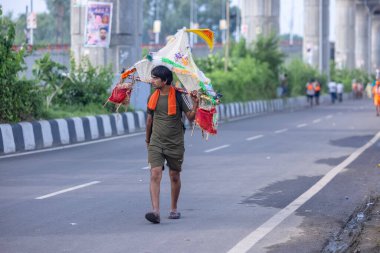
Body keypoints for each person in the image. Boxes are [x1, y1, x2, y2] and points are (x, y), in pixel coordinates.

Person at [145, 65, 199, 224]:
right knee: (155, 174)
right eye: (152, 77)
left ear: (165, 80)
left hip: (175, 142)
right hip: (156, 142)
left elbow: (190, 117)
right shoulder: (152, 97)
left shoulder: (179, 96)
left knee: (174, 176)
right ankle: (155, 211)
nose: (152, 80)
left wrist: (195, 104)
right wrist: (147, 141)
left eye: (155, 78)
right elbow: (149, 121)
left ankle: (174, 208)